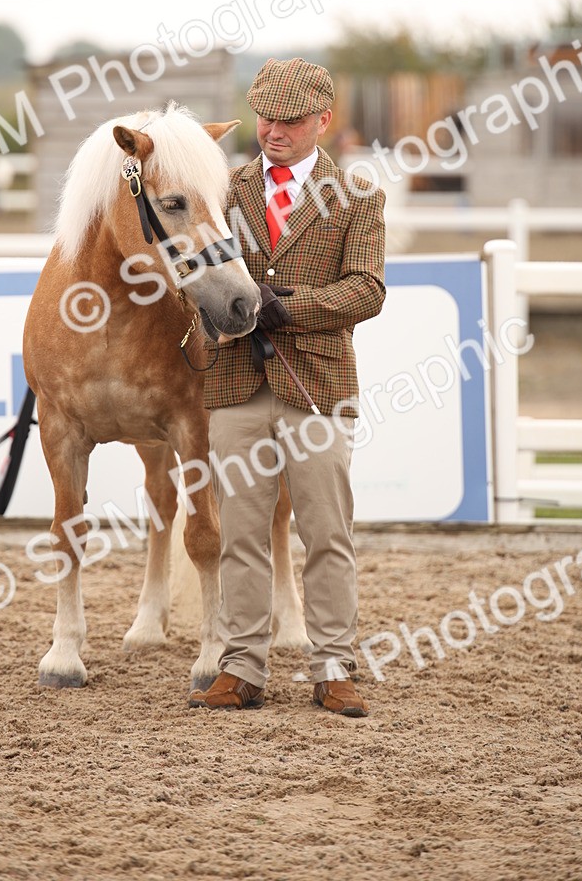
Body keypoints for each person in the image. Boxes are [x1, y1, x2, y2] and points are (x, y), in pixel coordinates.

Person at [189, 58, 386, 717]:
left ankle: (332, 666)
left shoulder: (357, 196)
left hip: (317, 385)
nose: (272, 130)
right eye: (265, 117)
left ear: (322, 121)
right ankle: (241, 666)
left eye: (289, 119)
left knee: (326, 532)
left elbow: (368, 289)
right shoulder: (221, 190)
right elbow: (193, 265)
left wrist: (289, 304)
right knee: (240, 533)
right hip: (236, 384)